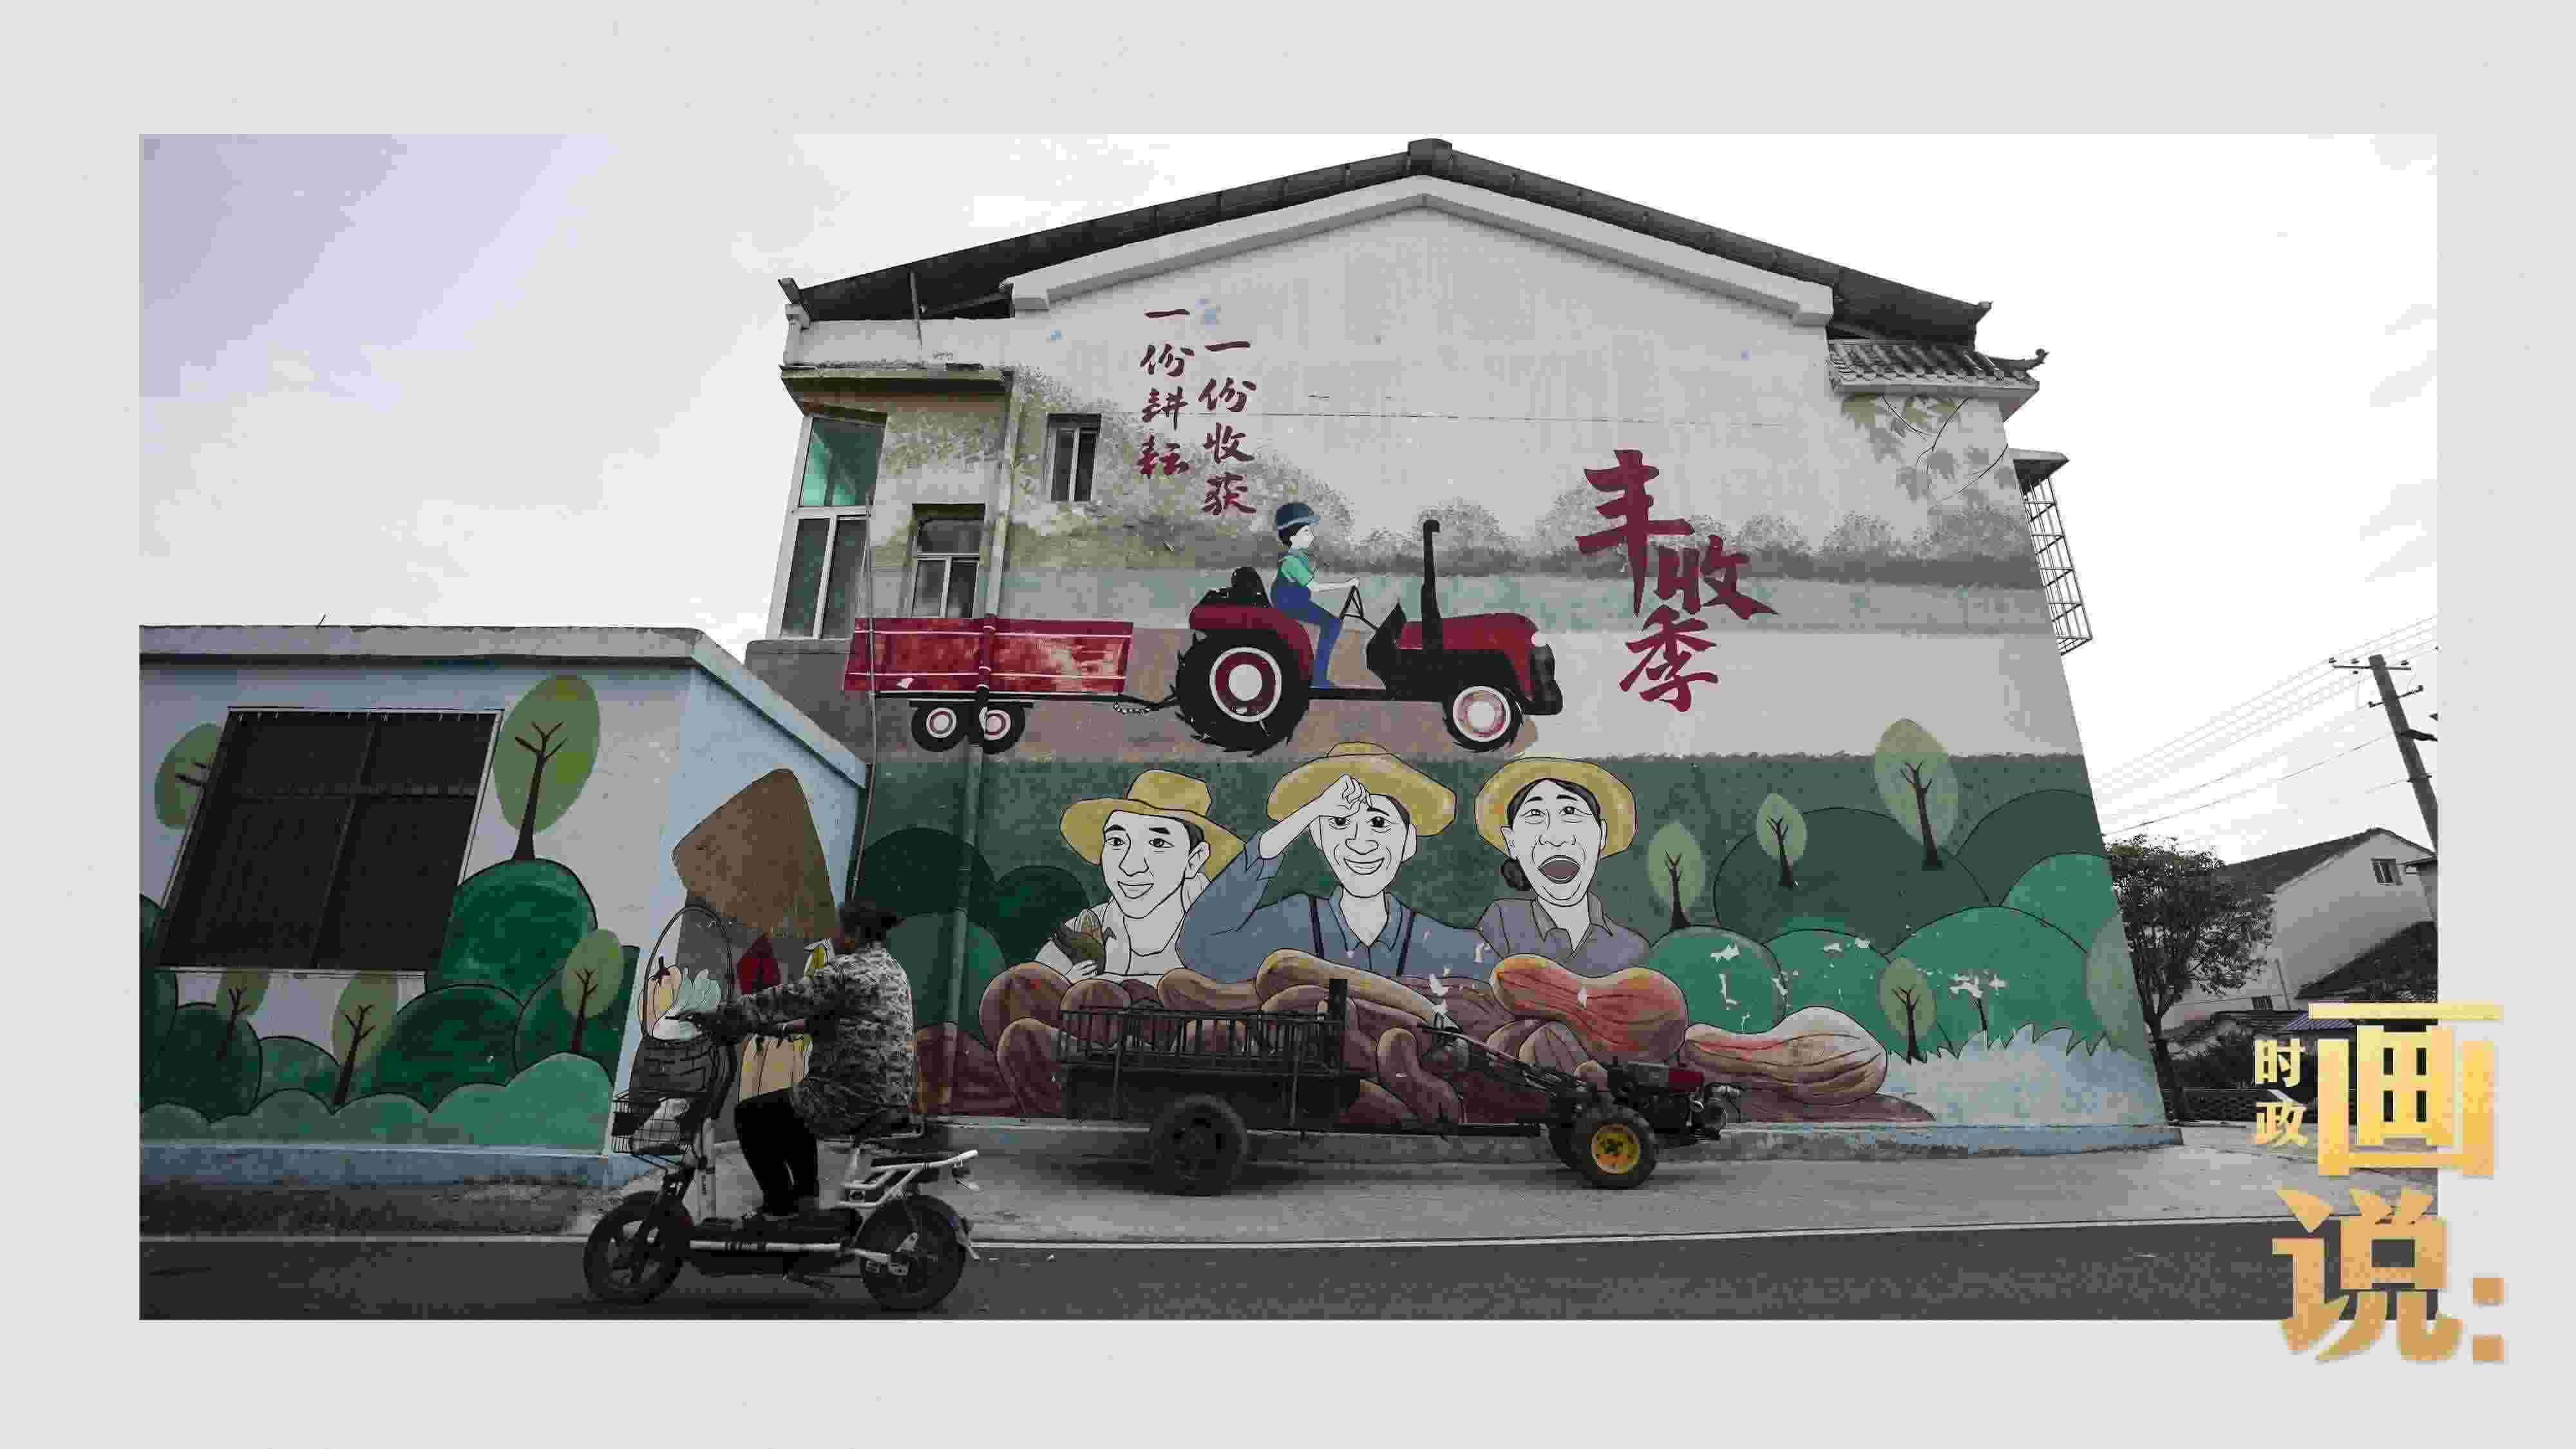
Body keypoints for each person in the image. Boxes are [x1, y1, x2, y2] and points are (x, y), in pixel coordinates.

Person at [668, 897, 914, 1221]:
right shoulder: (893, 971)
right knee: (794, 1109)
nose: (834, 937)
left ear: (855, 934)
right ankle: (805, 1203)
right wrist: (779, 1029)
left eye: (838, 930)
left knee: (752, 1115)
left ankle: (779, 1208)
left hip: (852, 1095)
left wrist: (723, 1016)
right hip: (890, 1093)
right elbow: (852, 1019)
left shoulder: (845, 972)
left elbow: (784, 999)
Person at [1177, 741, 1486, 982]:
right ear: (1318, 836)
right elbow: (1200, 947)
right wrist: (1308, 813)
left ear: (1409, 842)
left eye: (1379, 822)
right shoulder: (1294, 924)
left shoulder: (1442, 943)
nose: (1359, 842)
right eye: (1339, 822)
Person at [1036, 770, 1244, 980]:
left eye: (1158, 843)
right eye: (1117, 841)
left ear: (1194, 860)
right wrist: (1066, 985)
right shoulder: (1076, 937)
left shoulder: (1228, 937)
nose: (1130, 866)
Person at [1470, 758, 1651, 974]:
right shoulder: (1501, 922)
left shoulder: (1631, 949)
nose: (1554, 837)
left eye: (1570, 811)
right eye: (1535, 814)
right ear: (1512, 843)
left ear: (1602, 835)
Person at [1269, 501, 1358, 688]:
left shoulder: (1300, 557)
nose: (1312, 536)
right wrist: (1347, 584)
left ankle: (1318, 676)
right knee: (1332, 624)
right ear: (1292, 537)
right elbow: (1314, 587)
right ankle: (1318, 679)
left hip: (1297, 601)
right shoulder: (1291, 561)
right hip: (1289, 604)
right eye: (1306, 532)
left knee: (1332, 624)